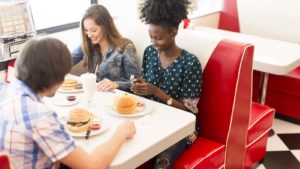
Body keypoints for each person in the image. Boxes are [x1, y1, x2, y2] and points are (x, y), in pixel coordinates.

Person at [0, 38, 136, 169]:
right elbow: (94, 165)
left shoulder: (5, 91)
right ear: (56, 78)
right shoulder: (40, 116)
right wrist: (122, 131)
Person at [131, 0, 202, 168]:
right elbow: (147, 88)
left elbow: (190, 111)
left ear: (174, 32)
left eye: (159, 38)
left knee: (162, 164)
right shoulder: (150, 52)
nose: (154, 42)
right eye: (151, 37)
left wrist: (156, 91)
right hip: (150, 118)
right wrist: (140, 87)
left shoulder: (190, 63)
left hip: (180, 126)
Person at [72, 4, 139, 92]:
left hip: (116, 98)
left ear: (105, 27)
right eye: (86, 30)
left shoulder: (125, 48)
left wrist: (116, 84)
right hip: (95, 95)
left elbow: (136, 82)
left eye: (93, 30)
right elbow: (67, 61)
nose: (89, 35)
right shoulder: (87, 44)